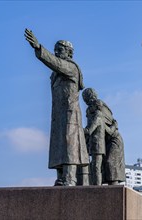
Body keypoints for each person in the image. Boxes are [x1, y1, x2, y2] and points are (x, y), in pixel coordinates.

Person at [24, 29, 89, 186]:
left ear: (69, 53)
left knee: (69, 143)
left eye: (59, 50)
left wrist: (39, 47)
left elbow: (55, 63)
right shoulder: (56, 74)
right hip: (59, 114)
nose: (57, 53)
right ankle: (61, 177)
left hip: (69, 113)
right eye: (55, 50)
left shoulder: (71, 67)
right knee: (59, 144)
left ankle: (70, 178)